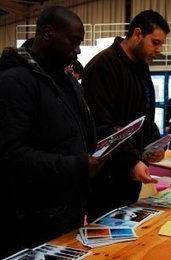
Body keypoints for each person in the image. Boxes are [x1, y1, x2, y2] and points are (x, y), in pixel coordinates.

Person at [0, 6, 102, 258]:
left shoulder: (66, 81)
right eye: (74, 41)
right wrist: (75, 165)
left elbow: (73, 132)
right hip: (35, 218)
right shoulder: (14, 82)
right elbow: (11, 155)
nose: (78, 50)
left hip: (70, 208)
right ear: (48, 33)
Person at [82, 10, 169, 221]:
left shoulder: (140, 67)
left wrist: (156, 143)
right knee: (105, 240)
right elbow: (102, 125)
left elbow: (145, 113)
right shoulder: (102, 66)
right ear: (138, 34)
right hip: (107, 176)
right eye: (155, 42)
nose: (159, 50)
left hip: (132, 170)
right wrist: (130, 161)